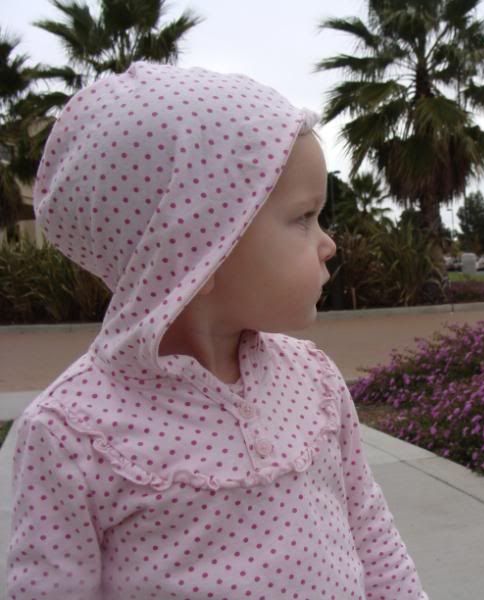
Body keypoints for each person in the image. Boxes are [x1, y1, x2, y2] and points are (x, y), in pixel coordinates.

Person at [7, 62, 428, 600]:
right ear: (196, 251)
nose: (328, 243)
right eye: (304, 217)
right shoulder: (73, 432)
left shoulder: (314, 381)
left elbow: (371, 533)